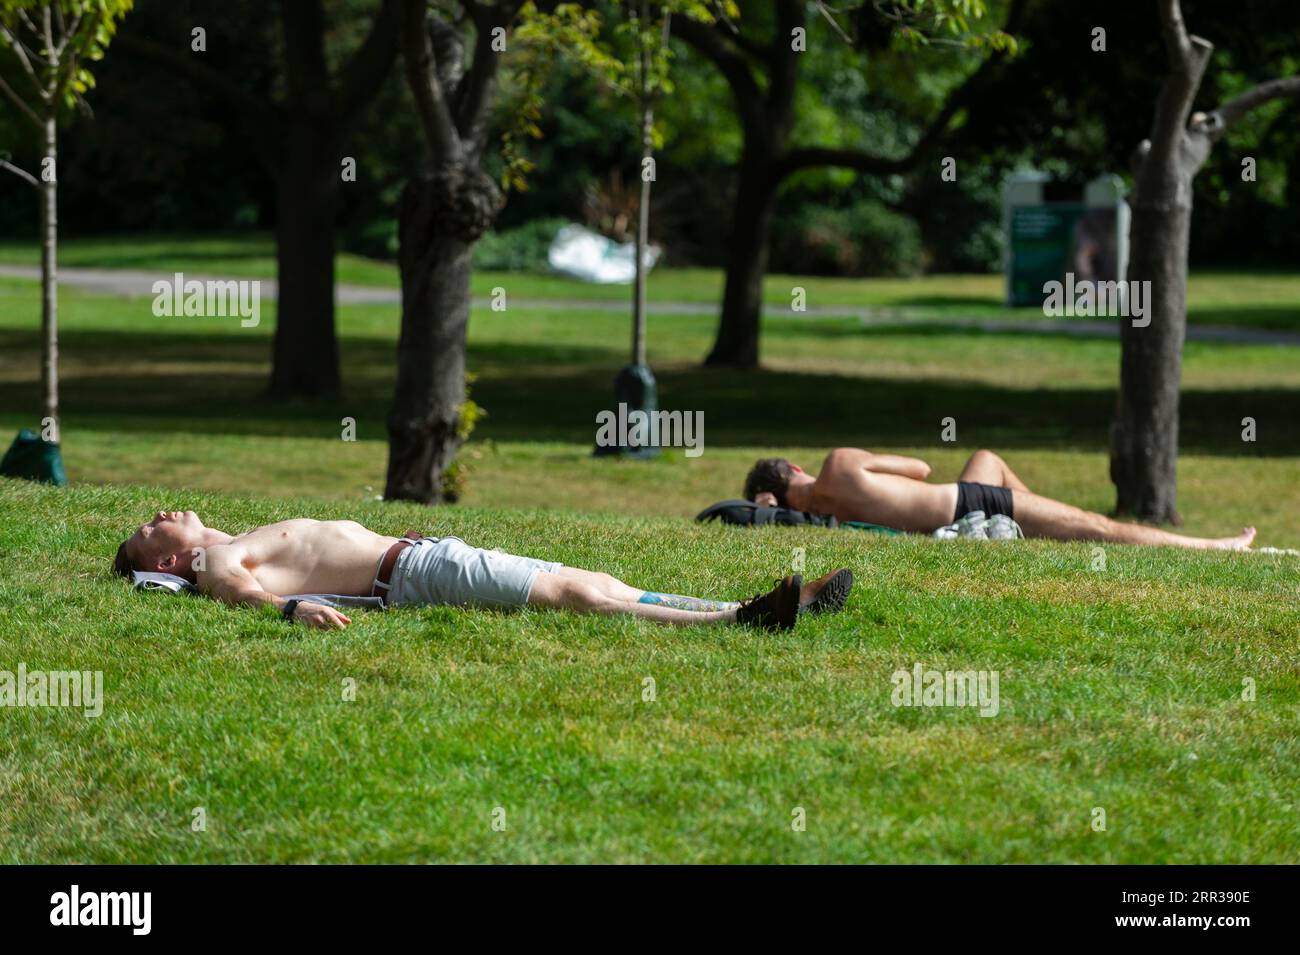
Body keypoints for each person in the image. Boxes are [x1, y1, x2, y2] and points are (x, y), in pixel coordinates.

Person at [112, 511, 855, 631]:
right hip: (413, 573)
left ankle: (754, 604)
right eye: (151, 528)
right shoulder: (214, 558)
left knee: (598, 580)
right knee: (574, 594)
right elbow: (233, 586)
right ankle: (736, 621)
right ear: (169, 559)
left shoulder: (229, 537)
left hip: (427, 555)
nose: (160, 512)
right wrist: (289, 609)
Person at [742, 449, 1256, 550]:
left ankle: (1042, 524)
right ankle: (1213, 547)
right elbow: (921, 469)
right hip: (966, 502)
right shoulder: (837, 464)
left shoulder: (809, 523)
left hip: (965, 500)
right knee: (1102, 527)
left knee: (987, 456)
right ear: (796, 469)